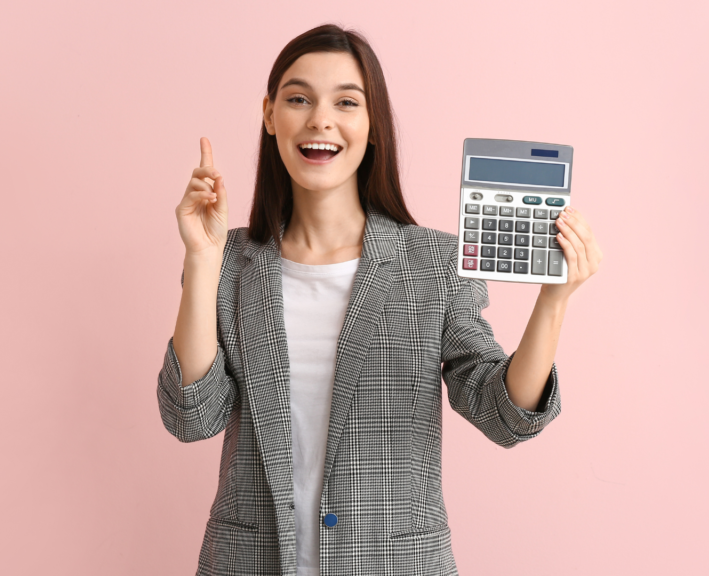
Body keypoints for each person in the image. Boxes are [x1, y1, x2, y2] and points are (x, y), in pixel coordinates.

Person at [157, 23, 602, 576]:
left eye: (346, 102)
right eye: (299, 99)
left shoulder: (433, 264)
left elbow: (503, 415)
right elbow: (191, 418)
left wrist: (554, 301)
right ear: (270, 116)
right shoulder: (227, 261)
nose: (321, 119)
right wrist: (203, 259)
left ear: (373, 126)